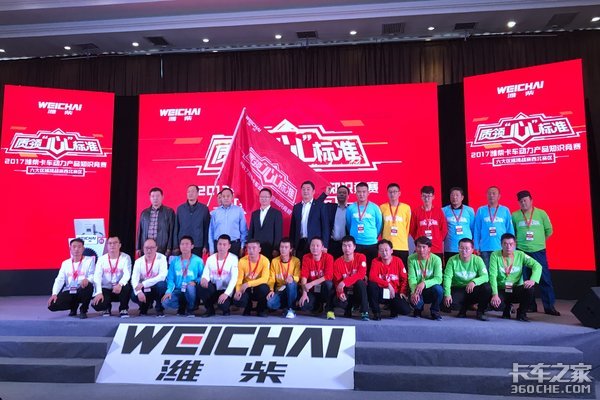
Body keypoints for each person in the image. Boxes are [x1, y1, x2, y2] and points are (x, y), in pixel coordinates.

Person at [511, 190, 559, 316]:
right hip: (522, 251)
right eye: (521, 201)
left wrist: (539, 241)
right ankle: (530, 306)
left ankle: (549, 307)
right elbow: (513, 232)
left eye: (525, 200)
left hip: (538, 251)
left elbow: (549, 230)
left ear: (531, 200)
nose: (523, 203)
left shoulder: (541, 213)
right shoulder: (514, 216)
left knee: (544, 279)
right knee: (525, 279)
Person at [489, 233, 542, 322]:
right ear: (501, 244)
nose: (508, 247)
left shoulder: (520, 254)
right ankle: (507, 307)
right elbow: (492, 276)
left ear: (515, 245)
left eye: (511, 244)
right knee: (494, 304)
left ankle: (521, 313)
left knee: (530, 289)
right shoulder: (494, 255)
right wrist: (495, 294)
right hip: (501, 289)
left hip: (516, 289)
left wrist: (533, 279)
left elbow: (537, 266)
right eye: (505, 244)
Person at [443, 238, 492, 321]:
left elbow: (485, 277)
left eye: (467, 248)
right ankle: (463, 309)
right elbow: (447, 278)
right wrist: (447, 294)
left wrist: (474, 282)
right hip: (458, 288)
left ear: (472, 250)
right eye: (461, 248)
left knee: (487, 288)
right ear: (458, 248)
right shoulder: (452, 260)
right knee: (452, 304)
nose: (464, 251)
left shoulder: (478, 260)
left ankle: (480, 312)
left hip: (473, 289)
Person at [48, 238, 95, 319]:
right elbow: (59, 279)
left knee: (89, 286)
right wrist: (54, 294)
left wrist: (87, 280)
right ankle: (73, 306)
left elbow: (92, 275)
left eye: (79, 247)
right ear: (70, 248)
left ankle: (83, 310)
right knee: (52, 305)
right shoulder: (65, 263)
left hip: (82, 289)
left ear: (83, 248)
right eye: (74, 247)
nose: (76, 249)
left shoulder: (89, 260)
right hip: (70, 290)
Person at [367, 239, 412, 320]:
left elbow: (404, 278)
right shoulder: (375, 261)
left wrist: (402, 291)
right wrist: (387, 284)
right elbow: (372, 277)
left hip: (394, 292)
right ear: (378, 252)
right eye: (381, 250)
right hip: (381, 291)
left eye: (386, 250)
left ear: (391, 251)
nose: (384, 253)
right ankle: (376, 313)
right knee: (371, 285)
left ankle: (393, 309)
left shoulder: (398, 261)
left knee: (405, 310)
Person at [161, 236, 204, 317]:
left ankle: (190, 308)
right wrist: (168, 291)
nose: (184, 246)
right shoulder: (174, 261)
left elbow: (203, 276)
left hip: (191, 289)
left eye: (187, 244)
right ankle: (182, 306)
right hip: (178, 290)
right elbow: (170, 278)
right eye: (182, 244)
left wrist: (195, 282)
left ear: (192, 246)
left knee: (190, 288)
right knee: (165, 302)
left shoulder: (198, 260)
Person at [198, 234, 239, 317]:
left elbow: (234, 279)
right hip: (214, 288)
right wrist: (204, 279)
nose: (221, 247)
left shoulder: (233, 258)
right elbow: (206, 273)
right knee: (201, 286)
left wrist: (226, 294)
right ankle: (209, 309)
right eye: (220, 244)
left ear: (229, 246)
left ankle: (226, 308)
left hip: (226, 289)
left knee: (223, 306)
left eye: (224, 245)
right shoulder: (210, 258)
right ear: (216, 245)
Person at [91, 236, 132, 318]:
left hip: (119, 287)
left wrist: (120, 284)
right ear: (107, 246)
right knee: (98, 305)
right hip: (106, 288)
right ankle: (106, 308)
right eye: (110, 243)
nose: (112, 245)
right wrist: (98, 292)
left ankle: (123, 308)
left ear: (119, 245)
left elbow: (127, 274)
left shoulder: (126, 257)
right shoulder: (101, 259)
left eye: (115, 243)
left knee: (126, 286)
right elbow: (97, 277)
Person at [473, 186, 514, 267]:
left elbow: (510, 230)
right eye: (489, 194)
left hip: (502, 248)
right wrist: (476, 246)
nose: (491, 195)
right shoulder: (481, 210)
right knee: (486, 271)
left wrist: (512, 246)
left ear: (499, 196)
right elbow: (477, 230)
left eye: (494, 193)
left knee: (501, 271)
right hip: (485, 248)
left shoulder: (505, 210)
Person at [332, 235, 369, 321]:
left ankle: (365, 311)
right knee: (338, 298)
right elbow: (337, 282)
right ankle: (346, 308)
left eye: (349, 246)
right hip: (346, 290)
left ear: (354, 247)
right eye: (344, 245)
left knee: (360, 282)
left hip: (357, 290)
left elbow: (361, 274)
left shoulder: (361, 257)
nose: (347, 248)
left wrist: (344, 282)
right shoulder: (337, 262)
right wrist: (340, 293)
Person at [346, 181, 382, 269]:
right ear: (356, 193)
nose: (361, 194)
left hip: (371, 243)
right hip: (356, 244)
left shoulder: (375, 208)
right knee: (356, 268)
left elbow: (379, 225)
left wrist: (373, 235)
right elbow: (348, 224)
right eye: (359, 192)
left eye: (364, 192)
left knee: (371, 269)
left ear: (368, 193)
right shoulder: (350, 208)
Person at [289, 181, 329, 260]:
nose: (305, 191)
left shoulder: (320, 206)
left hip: (315, 244)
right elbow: (293, 229)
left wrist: (325, 245)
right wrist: (292, 246)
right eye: (303, 189)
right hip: (300, 243)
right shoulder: (297, 207)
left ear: (313, 191)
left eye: (308, 189)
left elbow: (325, 227)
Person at [407, 236, 444, 320]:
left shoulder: (436, 259)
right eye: (419, 247)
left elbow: (438, 279)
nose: (421, 250)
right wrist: (413, 292)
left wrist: (424, 283)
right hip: (416, 288)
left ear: (429, 248)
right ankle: (418, 309)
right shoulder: (411, 259)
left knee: (439, 289)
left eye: (424, 247)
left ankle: (435, 311)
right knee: (416, 303)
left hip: (430, 289)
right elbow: (411, 278)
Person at [298, 237, 335, 319]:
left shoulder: (329, 257)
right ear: (309, 247)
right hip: (312, 290)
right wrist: (304, 293)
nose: (315, 248)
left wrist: (311, 283)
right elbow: (304, 276)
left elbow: (328, 276)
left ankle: (329, 308)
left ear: (322, 247)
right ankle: (317, 306)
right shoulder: (306, 257)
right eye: (312, 245)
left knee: (329, 283)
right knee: (304, 305)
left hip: (323, 288)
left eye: (317, 246)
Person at [233, 239, 270, 317]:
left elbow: (265, 279)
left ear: (259, 249)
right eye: (249, 248)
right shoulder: (242, 261)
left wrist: (248, 284)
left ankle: (260, 309)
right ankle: (248, 307)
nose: (251, 250)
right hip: (246, 289)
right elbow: (239, 279)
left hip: (257, 287)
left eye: (254, 248)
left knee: (264, 288)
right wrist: (238, 290)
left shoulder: (265, 260)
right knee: (238, 300)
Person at [130, 239, 168, 317]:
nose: (149, 250)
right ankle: (145, 305)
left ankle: (159, 306)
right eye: (146, 248)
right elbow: (134, 279)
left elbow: (162, 276)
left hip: (156, 286)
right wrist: (139, 292)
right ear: (143, 249)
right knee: (134, 295)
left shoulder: (162, 258)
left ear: (156, 248)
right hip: (144, 288)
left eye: (152, 248)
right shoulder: (138, 261)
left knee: (162, 285)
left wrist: (144, 283)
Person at [410, 186, 447, 260]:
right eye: (424, 196)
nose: (426, 199)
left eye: (429, 196)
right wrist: (419, 240)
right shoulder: (416, 211)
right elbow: (412, 230)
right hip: (421, 249)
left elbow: (444, 229)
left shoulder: (439, 211)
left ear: (433, 197)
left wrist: (438, 239)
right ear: (421, 197)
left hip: (436, 248)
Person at [267, 237, 301, 318]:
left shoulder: (296, 261)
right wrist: (271, 290)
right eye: (281, 247)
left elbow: (298, 276)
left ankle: (291, 309)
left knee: (291, 284)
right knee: (270, 304)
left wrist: (292, 278)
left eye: (286, 247)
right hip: (280, 290)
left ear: (290, 249)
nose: (283, 249)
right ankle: (285, 307)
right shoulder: (274, 261)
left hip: (292, 289)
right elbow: (271, 279)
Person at [136, 187, 175, 257]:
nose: (155, 198)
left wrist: (169, 248)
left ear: (162, 197)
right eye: (153, 196)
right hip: (147, 248)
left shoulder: (169, 212)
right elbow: (140, 231)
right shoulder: (144, 213)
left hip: (162, 248)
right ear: (150, 198)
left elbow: (172, 231)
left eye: (157, 196)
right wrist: (138, 247)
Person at [208, 187, 247, 257]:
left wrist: (242, 246)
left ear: (232, 197)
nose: (226, 198)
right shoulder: (215, 212)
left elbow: (244, 231)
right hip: (219, 245)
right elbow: (211, 232)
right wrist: (211, 248)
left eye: (228, 196)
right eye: (223, 196)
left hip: (234, 245)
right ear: (221, 198)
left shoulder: (239, 211)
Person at [174, 184, 210, 257]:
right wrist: (176, 245)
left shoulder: (204, 209)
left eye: (193, 191)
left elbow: (206, 228)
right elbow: (176, 228)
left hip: (197, 244)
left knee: (195, 263)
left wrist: (205, 245)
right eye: (188, 192)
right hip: (183, 244)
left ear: (197, 193)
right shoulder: (180, 209)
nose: (190, 193)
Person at [380, 183, 411, 267]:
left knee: (402, 270)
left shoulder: (406, 208)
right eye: (390, 192)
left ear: (399, 193)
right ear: (387, 193)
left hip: (402, 245)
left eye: (395, 192)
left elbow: (407, 226)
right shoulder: (382, 207)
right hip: (386, 247)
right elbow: (381, 226)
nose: (392, 194)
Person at [248, 188, 283, 260]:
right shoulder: (255, 214)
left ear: (270, 198)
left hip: (270, 249)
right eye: (261, 197)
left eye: (266, 197)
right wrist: (249, 246)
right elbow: (251, 231)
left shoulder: (276, 213)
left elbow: (278, 233)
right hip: (255, 249)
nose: (263, 199)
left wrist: (276, 249)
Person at [442, 187, 475, 261]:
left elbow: (473, 228)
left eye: (457, 195)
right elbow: (442, 229)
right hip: (450, 246)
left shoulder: (470, 210)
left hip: (466, 247)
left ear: (462, 197)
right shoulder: (444, 211)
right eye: (452, 195)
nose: (454, 197)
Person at [326, 185, 350, 260]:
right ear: (336, 195)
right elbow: (316, 205)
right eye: (339, 192)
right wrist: (325, 194)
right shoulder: (330, 207)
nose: (341, 194)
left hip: (347, 245)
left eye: (344, 193)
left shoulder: (352, 209)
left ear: (348, 196)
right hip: (332, 244)